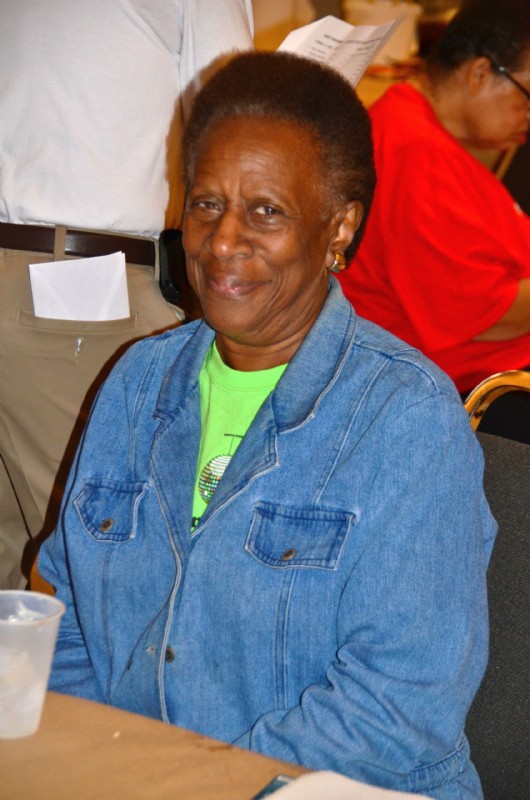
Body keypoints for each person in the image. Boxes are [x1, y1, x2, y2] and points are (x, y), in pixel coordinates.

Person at [38, 51, 496, 800]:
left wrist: (184, 786)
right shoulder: (137, 382)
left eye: (266, 212)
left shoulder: (406, 419)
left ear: (339, 228)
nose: (221, 241)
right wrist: (99, 769)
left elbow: (397, 709)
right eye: (205, 203)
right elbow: (68, 623)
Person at [0, 0, 254, 589]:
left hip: (55, 272)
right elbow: (243, 129)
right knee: (115, 574)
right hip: (74, 287)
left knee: (18, 583)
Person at [339, 0, 530, 398]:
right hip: (482, 384)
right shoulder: (414, 153)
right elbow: (489, 316)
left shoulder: (424, 125)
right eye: (527, 99)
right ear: (479, 74)